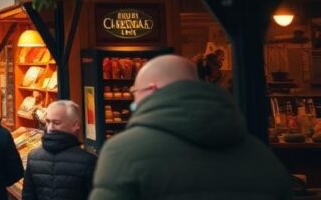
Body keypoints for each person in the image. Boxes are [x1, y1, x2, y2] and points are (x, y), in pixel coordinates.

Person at [90, 55, 292, 199]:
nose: (133, 99)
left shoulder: (123, 152)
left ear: (152, 90)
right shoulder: (260, 153)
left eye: (135, 91)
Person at [21, 100, 96, 200]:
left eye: (56, 123)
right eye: (48, 122)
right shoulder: (88, 161)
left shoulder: (33, 157)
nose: (50, 128)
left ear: (75, 125)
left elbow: (28, 196)